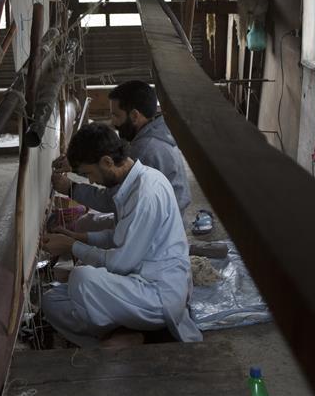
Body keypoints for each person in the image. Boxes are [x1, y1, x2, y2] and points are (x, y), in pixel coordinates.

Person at [41, 123, 202, 347]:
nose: (91, 181)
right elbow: (119, 236)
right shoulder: (134, 183)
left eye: (89, 173)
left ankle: (144, 336)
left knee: (82, 278)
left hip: (158, 292)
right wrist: (79, 238)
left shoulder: (146, 193)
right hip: (137, 281)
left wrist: (71, 247)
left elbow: (120, 263)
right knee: (52, 301)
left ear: (107, 162)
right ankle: (122, 336)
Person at [52, 80, 191, 231]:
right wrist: (78, 166)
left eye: (116, 116)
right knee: (88, 223)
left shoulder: (146, 149)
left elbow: (112, 200)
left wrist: (71, 188)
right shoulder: (156, 133)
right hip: (162, 217)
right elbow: (111, 173)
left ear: (135, 116)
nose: (113, 122)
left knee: (83, 226)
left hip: (159, 227)